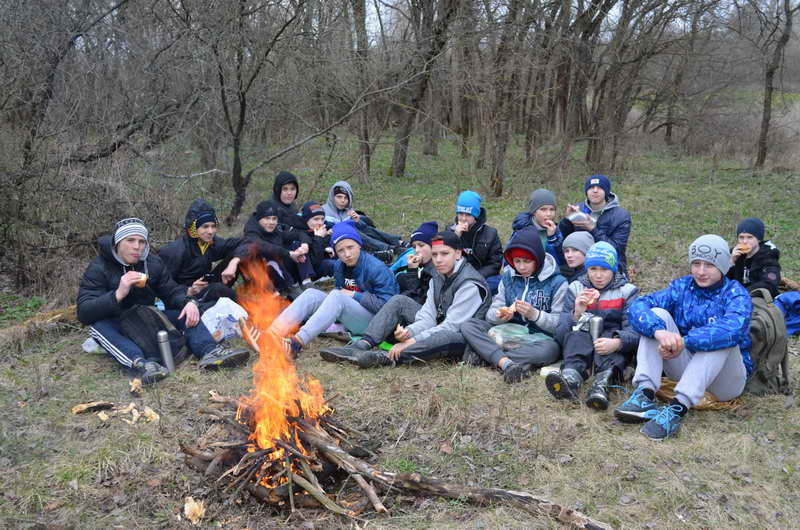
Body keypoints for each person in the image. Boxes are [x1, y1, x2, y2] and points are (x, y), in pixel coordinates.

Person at [77, 218, 249, 384]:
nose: (137, 247)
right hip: (118, 322)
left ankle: (210, 351)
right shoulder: (99, 267)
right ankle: (143, 365)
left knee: (186, 311)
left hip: (148, 316)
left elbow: (171, 291)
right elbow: (84, 312)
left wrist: (188, 302)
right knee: (98, 328)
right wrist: (118, 293)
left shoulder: (152, 262)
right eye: (130, 240)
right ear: (118, 242)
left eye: (141, 241)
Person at [615, 235, 752, 440]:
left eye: (709, 265)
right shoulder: (682, 288)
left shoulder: (735, 294)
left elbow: (733, 329)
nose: (701, 271)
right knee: (657, 317)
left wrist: (683, 341)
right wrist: (660, 332)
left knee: (721, 336)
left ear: (723, 266)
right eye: (696, 263)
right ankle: (645, 393)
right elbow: (638, 305)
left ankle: (678, 408)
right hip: (686, 368)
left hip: (725, 381)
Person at [319, 231, 490, 368]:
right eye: (435, 254)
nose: (438, 260)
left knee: (444, 336)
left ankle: (385, 357)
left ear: (458, 254)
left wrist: (411, 341)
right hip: (440, 323)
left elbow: (452, 326)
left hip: (463, 337)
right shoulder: (438, 276)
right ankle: (361, 345)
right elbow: (428, 316)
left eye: (445, 254)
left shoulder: (470, 284)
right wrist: (411, 331)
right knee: (399, 300)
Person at [268, 220, 399, 356]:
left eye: (350, 247)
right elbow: (341, 296)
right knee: (311, 293)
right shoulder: (339, 266)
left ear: (359, 245)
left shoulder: (376, 268)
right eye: (341, 250)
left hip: (376, 324)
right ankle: (272, 333)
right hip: (352, 317)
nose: (347, 254)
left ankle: (296, 343)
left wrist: (354, 295)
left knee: (337, 295)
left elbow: (388, 308)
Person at [460, 226, 567, 383]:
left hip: (539, 338)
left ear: (537, 258)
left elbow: (559, 325)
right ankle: (507, 363)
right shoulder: (508, 277)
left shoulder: (558, 283)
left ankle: (488, 356)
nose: (521, 267)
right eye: (517, 261)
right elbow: (491, 314)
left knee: (551, 350)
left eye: (527, 261)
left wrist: (535, 315)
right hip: (506, 332)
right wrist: (500, 315)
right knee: (469, 325)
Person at [546, 242, 639, 409]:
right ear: (586, 269)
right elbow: (560, 335)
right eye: (593, 269)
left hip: (611, 345)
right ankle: (571, 378)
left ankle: (602, 384)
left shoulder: (627, 291)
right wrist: (576, 313)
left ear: (614, 269)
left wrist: (618, 342)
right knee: (576, 336)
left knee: (613, 346)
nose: (598, 276)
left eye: (604, 269)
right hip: (582, 341)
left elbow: (634, 332)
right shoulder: (576, 288)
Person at [159, 199, 241, 311]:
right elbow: (164, 286)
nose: (211, 231)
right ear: (193, 227)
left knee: (242, 253)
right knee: (218, 289)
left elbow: (244, 242)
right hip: (185, 297)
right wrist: (189, 290)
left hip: (206, 286)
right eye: (205, 226)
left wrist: (234, 262)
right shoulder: (174, 251)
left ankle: (259, 295)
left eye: (213, 226)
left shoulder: (211, 243)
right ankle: (250, 311)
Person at [236, 200, 313, 298]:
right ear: (259, 219)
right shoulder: (251, 232)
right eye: (267, 218)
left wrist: (304, 245)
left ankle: (307, 282)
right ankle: (287, 290)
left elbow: (299, 234)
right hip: (261, 277)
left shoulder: (275, 231)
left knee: (297, 245)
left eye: (274, 219)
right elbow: (263, 246)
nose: (271, 222)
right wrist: (289, 254)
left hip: (281, 270)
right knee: (271, 260)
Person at [559, 175, 632, 276]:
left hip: (608, 263)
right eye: (591, 188)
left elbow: (616, 249)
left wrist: (593, 229)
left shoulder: (621, 215)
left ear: (606, 191)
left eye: (599, 188)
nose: (595, 191)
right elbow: (566, 238)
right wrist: (567, 219)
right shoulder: (579, 209)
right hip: (579, 262)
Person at [322, 180, 403, 259]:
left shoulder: (347, 210)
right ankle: (388, 249)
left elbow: (364, 228)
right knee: (351, 230)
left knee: (366, 228)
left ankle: (397, 241)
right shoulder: (323, 212)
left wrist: (357, 220)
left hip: (353, 238)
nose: (342, 201)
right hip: (337, 242)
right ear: (332, 197)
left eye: (346, 198)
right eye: (339, 197)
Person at [448, 190, 503, 293]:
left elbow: (495, 264)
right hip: (456, 276)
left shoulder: (490, 234)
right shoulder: (450, 232)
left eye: (468, 215)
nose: (463, 219)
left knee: (498, 282)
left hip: (481, 277)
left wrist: (474, 277)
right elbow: (444, 258)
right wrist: (455, 237)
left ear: (476, 215)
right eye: (460, 214)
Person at [728, 217, 781, 297]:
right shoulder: (735, 254)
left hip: (758, 299)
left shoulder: (768, 255)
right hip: (734, 298)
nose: (745, 241)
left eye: (750, 237)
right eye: (741, 237)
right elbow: (720, 281)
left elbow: (770, 283)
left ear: (759, 239)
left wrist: (742, 293)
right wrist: (731, 262)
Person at [510, 188, 564, 263]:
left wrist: (552, 238)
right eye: (543, 209)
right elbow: (510, 259)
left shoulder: (558, 231)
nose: (548, 214)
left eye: (552, 209)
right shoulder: (521, 229)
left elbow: (560, 262)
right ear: (534, 212)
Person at [299, 200, 336, 279]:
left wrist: (327, 239)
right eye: (316, 219)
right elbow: (314, 263)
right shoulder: (301, 234)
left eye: (322, 219)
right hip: (314, 271)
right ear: (306, 220)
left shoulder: (323, 230)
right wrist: (319, 238)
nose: (320, 223)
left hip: (326, 263)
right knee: (332, 264)